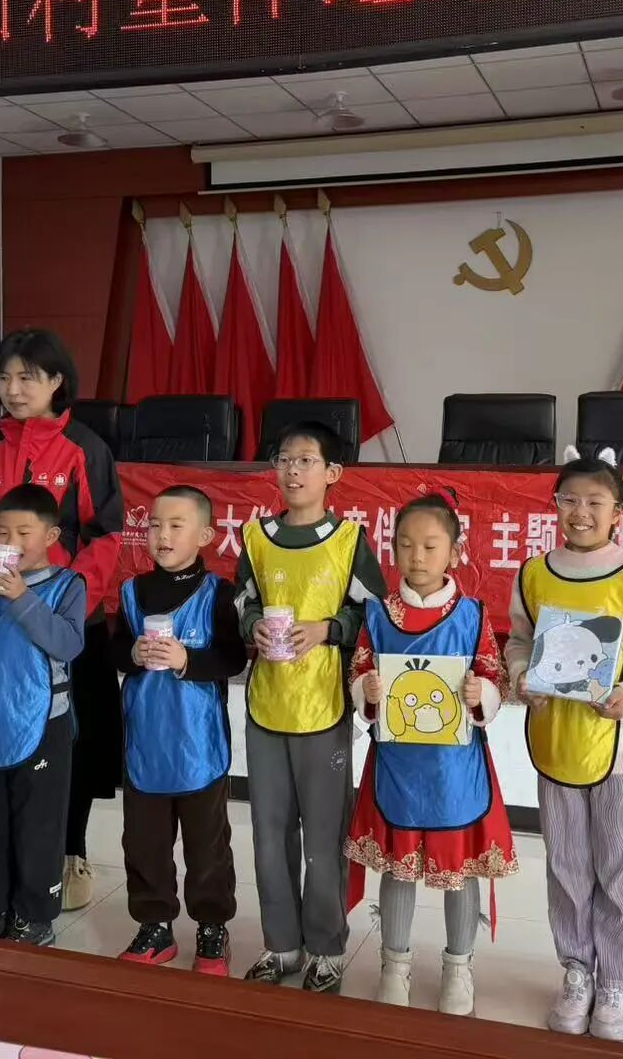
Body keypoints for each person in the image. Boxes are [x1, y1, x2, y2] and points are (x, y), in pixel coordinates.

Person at [504, 454, 623, 1043]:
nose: (580, 512)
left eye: (594, 502)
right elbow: (517, 643)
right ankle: (577, 971)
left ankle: (616, 982)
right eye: (569, 500)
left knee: (619, 865)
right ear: (554, 506)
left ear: (618, 514)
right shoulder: (533, 575)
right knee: (566, 866)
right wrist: (521, 678)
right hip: (556, 740)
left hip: (622, 747)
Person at [0, 328, 122, 915]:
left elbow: (106, 536)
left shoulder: (84, 448)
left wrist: (65, 599)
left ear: (57, 382)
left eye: (27, 376)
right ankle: (3, 875)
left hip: (65, 620)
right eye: (4, 377)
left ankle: (71, 852)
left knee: (70, 744)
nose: (13, 388)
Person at [346, 493, 516, 1015]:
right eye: (404, 544)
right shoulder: (377, 616)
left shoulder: (472, 615)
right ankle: (393, 965)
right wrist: (366, 692)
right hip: (398, 767)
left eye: (429, 545)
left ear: (455, 552)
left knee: (458, 869)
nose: (416, 556)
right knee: (397, 869)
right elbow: (359, 670)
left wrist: (482, 694)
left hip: (454, 771)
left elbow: (494, 676)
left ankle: (458, 967)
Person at [235, 421, 386, 994]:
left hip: (324, 706)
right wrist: (254, 625)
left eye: (305, 460)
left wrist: (328, 628)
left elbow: (374, 614)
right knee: (269, 834)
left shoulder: (348, 540)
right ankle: (281, 944)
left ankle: (325, 947)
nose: (292, 470)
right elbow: (242, 602)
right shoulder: (257, 537)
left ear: (332, 473)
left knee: (324, 837)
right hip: (267, 704)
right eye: (283, 459)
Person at [110, 486, 246, 976]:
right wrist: (131, 654)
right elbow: (113, 650)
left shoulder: (218, 594)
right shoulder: (132, 591)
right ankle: (155, 925)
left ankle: (212, 928)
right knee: (143, 842)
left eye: (175, 526)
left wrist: (188, 659)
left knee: (207, 845)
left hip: (198, 746)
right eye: (153, 525)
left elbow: (232, 658)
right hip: (146, 741)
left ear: (206, 536)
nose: (161, 535)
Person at [0, 484, 87, 946]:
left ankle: (34, 916)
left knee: (37, 826)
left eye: (24, 532)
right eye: (2, 533)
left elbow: (67, 644)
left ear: (51, 536)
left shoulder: (67, 584)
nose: (11, 542)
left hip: (42, 724)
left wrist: (22, 596)